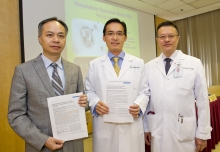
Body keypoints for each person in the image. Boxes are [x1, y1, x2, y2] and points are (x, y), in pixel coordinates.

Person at [8, 17, 88, 152]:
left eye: (61, 36)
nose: (56, 40)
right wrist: (43, 140)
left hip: (74, 145)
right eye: (49, 35)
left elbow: (83, 103)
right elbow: (16, 115)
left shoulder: (75, 69)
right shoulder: (23, 71)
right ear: (40, 38)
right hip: (41, 147)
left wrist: (85, 103)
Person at [143, 21, 212, 152]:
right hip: (158, 131)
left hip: (183, 131)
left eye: (171, 36)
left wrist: (202, 133)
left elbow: (203, 101)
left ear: (178, 38)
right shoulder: (148, 67)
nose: (167, 40)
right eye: (162, 37)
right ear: (157, 40)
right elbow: (146, 100)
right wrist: (146, 127)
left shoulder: (194, 63)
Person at [84, 18, 150, 152]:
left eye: (119, 33)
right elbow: (88, 90)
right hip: (105, 125)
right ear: (104, 37)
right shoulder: (94, 64)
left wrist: (139, 105)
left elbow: (145, 91)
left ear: (125, 37)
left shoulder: (138, 62)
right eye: (110, 33)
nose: (115, 38)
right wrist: (96, 103)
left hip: (131, 123)